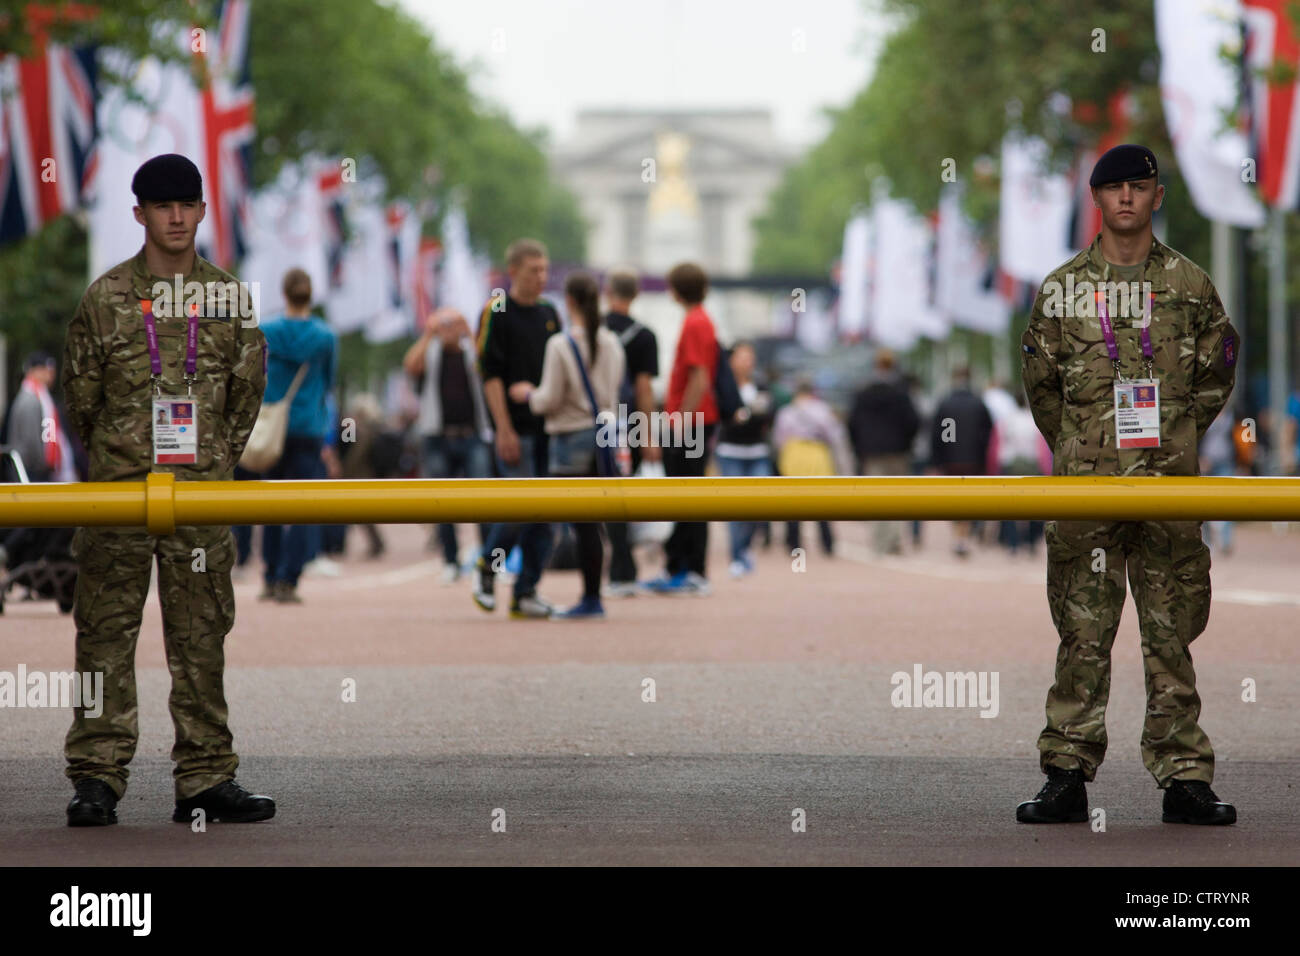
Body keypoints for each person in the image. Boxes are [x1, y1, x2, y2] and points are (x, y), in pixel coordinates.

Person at [1017, 143, 1240, 826]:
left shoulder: (1192, 286)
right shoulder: (1060, 290)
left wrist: (1172, 435)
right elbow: (1042, 386)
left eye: (1137, 187)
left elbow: (1215, 375)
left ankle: (1184, 777)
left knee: (1171, 634)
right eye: (1112, 187)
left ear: (1157, 196)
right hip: (1086, 492)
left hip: (1169, 487)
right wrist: (1084, 450)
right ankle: (1066, 774)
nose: (1125, 199)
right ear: (1096, 198)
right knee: (1082, 633)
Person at [60, 152, 273, 826]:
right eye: (161, 205)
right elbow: (80, 399)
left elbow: (247, 395)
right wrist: (121, 455)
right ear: (139, 214)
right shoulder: (106, 298)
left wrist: (208, 461)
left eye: (186, 204)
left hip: (202, 496)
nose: (176, 216)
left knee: (200, 635)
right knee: (103, 637)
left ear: (204, 211)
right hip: (118, 495)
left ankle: (206, 777)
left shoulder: (229, 299)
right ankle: (96, 777)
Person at [509, 272, 625, 618]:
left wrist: (527, 393)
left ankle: (585, 597)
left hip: (570, 437)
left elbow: (549, 399)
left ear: (569, 301)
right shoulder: (612, 343)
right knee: (594, 522)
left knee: (572, 520)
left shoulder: (560, 345)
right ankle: (593, 594)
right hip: (604, 436)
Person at [473, 238, 560, 618]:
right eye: (533, 271)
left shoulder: (550, 312)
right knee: (519, 508)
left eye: (544, 270)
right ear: (514, 272)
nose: (541, 277)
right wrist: (503, 428)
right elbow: (489, 374)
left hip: (550, 430)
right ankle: (486, 569)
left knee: (549, 514)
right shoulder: (498, 310)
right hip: (516, 431)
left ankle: (526, 592)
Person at [258, 268, 337, 603]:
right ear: (310, 294)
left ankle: (270, 574)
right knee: (305, 505)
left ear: (284, 293)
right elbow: (328, 383)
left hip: (272, 426)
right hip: (308, 426)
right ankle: (291, 578)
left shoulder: (266, 330)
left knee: (271, 506)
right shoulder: (325, 336)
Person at [642, 262, 721, 595]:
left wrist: (678, 421)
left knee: (685, 497)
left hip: (691, 421)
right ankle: (685, 567)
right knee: (689, 495)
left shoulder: (694, 323)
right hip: (698, 419)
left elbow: (698, 377)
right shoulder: (702, 320)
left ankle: (688, 569)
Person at [404, 307, 493, 582]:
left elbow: (487, 359)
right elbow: (410, 365)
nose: (449, 329)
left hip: (472, 435)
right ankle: (451, 561)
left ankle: (487, 561)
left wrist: (468, 330)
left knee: (483, 502)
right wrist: (429, 333)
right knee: (442, 502)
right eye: (445, 324)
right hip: (437, 437)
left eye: (453, 323)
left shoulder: (471, 352)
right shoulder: (430, 352)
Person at [600, 266, 659, 596]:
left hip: (598, 423)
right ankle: (625, 568)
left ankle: (618, 566)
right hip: (631, 423)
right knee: (624, 497)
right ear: (636, 295)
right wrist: (648, 433)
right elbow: (643, 389)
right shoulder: (644, 336)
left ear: (608, 293)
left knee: (604, 497)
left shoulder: (593, 331)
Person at [772, 379, 854, 557]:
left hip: (793, 454)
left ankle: (794, 543)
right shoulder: (822, 409)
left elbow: (779, 438)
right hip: (816, 453)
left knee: (793, 502)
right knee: (820, 500)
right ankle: (827, 543)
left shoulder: (786, 412)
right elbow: (834, 434)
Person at [849, 349, 919, 556]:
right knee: (897, 498)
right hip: (898, 452)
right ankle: (894, 541)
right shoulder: (901, 393)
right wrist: (906, 443)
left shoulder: (863, 393)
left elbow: (853, 424)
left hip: (872, 453)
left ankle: (878, 542)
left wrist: (860, 447)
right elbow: (913, 422)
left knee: (877, 497)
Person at [715, 342, 773, 577]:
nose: (747, 362)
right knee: (735, 507)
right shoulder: (724, 386)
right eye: (742, 357)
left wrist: (745, 415)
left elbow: (767, 414)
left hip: (757, 451)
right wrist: (746, 414)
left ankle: (746, 546)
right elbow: (726, 415)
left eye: (750, 357)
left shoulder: (760, 384)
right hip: (731, 452)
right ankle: (737, 555)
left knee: (759, 505)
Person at [928, 366, 994, 557]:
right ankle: (965, 535)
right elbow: (988, 434)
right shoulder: (978, 403)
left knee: (953, 500)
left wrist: (937, 460)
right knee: (970, 499)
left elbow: (938, 434)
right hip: (974, 460)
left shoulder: (945, 403)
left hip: (951, 460)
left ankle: (958, 536)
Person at [6, 352, 78, 484]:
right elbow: (30, 438)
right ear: (33, 370)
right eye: (45, 369)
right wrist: (43, 464)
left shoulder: (43, 399)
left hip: (39, 469)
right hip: (31, 470)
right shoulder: (29, 399)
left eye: (51, 370)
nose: (50, 374)